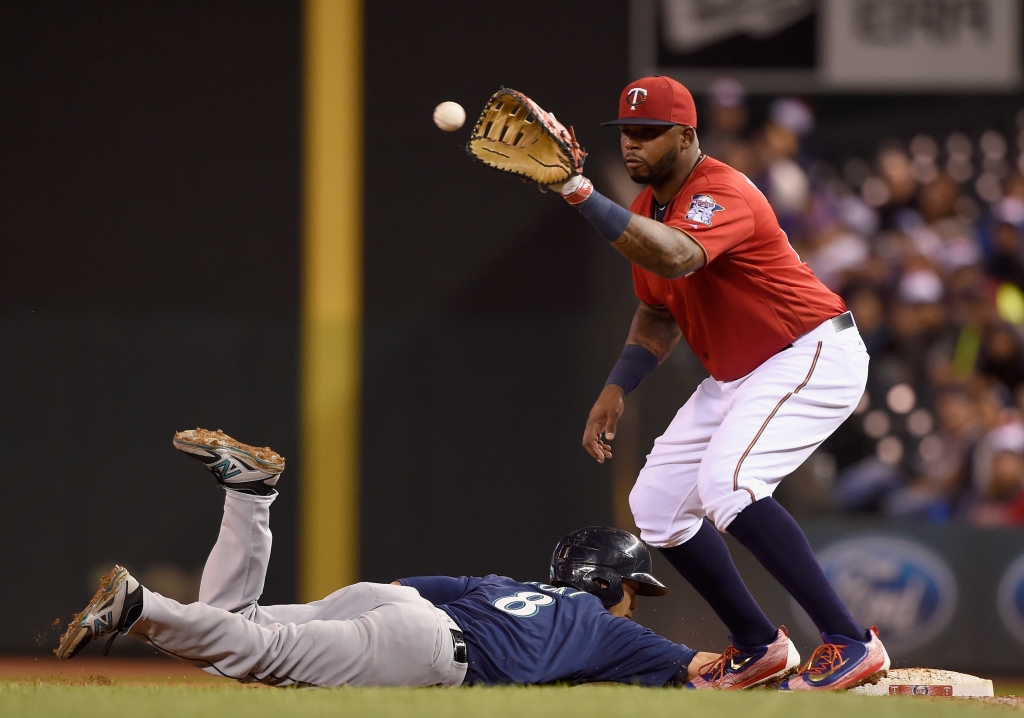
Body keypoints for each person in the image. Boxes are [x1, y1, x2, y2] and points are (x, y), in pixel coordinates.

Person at [549, 76, 889, 690]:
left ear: (686, 136)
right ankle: (757, 644)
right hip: (741, 373)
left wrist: (578, 191)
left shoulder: (720, 190)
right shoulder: (643, 210)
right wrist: (617, 386)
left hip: (808, 350)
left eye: (649, 134)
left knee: (730, 484)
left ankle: (850, 640)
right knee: (654, 506)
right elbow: (658, 308)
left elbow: (677, 257)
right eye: (627, 133)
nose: (633, 145)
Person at [56, 429, 718, 687]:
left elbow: (401, 587)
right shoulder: (608, 628)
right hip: (429, 646)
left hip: (399, 604)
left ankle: (250, 495)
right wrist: (779, 659)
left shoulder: (504, 585)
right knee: (256, 653)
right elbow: (711, 672)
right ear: (602, 581)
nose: (635, 601)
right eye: (633, 587)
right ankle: (138, 606)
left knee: (236, 627)